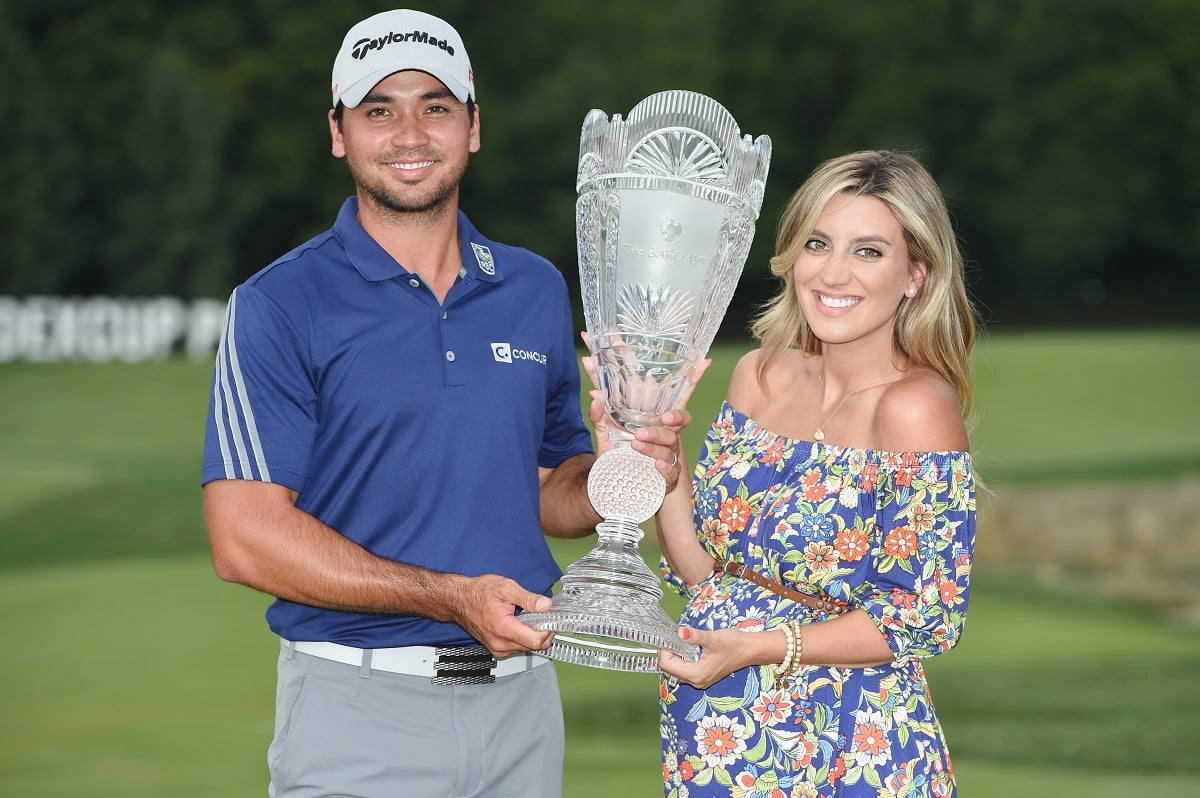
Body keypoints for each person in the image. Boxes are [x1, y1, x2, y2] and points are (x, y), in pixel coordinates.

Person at [201, 9, 684, 797]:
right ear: (338, 132)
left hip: (524, 707)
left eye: (435, 106)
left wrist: (624, 469)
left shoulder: (532, 288)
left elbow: (547, 489)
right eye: (378, 110)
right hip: (359, 709)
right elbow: (244, 539)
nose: (410, 133)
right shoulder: (280, 301)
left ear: (473, 125)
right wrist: (451, 597)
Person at [616, 150, 979, 797]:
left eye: (868, 251)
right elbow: (705, 575)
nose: (833, 272)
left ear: (915, 274)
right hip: (719, 735)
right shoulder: (759, 373)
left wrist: (756, 648)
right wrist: (665, 475)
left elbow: (924, 617)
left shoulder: (916, 408)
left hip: (846, 744)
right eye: (818, 243)